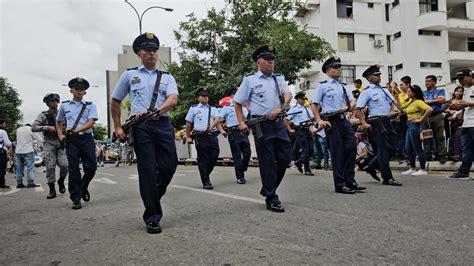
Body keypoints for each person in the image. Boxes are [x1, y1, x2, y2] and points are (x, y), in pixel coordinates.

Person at [111, 32, 179, 234]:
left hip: (163, 124)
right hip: (141, 128)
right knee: (148, 171)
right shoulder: (130, 75)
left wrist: (156, 111)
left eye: (154, 50)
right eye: (147, 50)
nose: (152, 53)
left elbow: (173, 99)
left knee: (169, 166)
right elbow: (115, 101)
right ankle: (152, 216)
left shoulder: (167, 77)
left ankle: (151, 198)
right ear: (139, 53)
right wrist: (117, 127)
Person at [234, 44, 292, 212]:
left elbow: (288, 94)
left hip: (279, 122)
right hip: (261, 124)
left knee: (285, 156)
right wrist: (241, 122)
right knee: (267, 160)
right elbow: (237, 102)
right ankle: (272, 197)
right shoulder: (250, 80)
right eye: (267, 59)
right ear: (258, 62)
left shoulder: (278, 78)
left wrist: (281, 108)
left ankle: (268, 187)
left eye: (272, 59)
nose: (271, 62)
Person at [311, 56, 364, 194]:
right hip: (331, 121)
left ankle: (350, 181)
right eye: (335, 68)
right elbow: (314, 104)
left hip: (343, 119)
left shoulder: (344, 86)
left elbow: (353, 102)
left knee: (352, 147)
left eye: (339, 67)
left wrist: (348, 107)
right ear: (328, 70)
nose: (339, 69)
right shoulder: (322, 86)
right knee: (337, 152)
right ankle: (340, 184)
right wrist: (319, 121)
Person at [355, 65, 402, 186]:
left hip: (387, 120)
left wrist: (396, 111)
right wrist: (363, 122)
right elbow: (358, 109)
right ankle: (387, 178)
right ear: (369, 78)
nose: (379, 77)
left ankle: (371, 166)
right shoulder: (367, 92)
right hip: (376, 121)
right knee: (383, 150)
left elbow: (393, 102)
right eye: (376, 75)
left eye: (379, 75)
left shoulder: (384, 89)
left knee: (393, 148)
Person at [56, 77, 98, 210]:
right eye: (77, 89)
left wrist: (77, 129)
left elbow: (91, 122)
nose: (79, 91)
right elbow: (58, 121)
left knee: (91, 167)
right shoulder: (64, 105)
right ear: (71, 90)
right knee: (74, 170)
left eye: (82, 90)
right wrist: (60, 135)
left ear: (85, 93)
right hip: (72, 141)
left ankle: (83, 186)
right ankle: (76, 198)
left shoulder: (91, 105)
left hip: (86, 138)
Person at [186, 88, 226, 189]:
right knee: (203, 159)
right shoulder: (194, 109)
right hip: (200, 136)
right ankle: (206, 181)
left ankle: (205, 174)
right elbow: (188, 123)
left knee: (214, 156)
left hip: (212, 135)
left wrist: (216, 129)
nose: (206, 98)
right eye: (203, 96)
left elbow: (217, 119)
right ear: (198, 98)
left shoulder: (213, 109)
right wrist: (188, 137)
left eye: (207, 96)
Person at [32, 93, 68, 199]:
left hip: (61, 141)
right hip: (49, 141)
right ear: (47, 103)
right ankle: (52, 189)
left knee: (64, 164)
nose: (54, 103)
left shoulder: (63, 113)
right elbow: (34, 127)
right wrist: (47, 127)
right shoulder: (43, 115)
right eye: (52, 101)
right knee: (50, 166)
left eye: (56, 101)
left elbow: (70, 124)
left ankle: (61, 181)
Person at [220, 87, 251, 184]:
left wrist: (248, 129)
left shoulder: (244, 108)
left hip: (243, 132)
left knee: (247, 153)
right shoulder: (227, 108)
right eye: (235, 94)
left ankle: (242, 168)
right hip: (233, 132)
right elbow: (219, 119)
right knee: (237, 156)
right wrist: (222, 129)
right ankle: (240, 177)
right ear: (232, 96)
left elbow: (247, 120)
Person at [400, 85, 433, 176]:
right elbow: (400, 106)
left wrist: (421, 119)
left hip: (415, 125)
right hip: (409, 125)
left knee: (417, 148)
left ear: (414, 93)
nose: (407, 93)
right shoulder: (410, 102)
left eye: (409, 92)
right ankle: (413, 168)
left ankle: (423, 169)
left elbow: (429, 109)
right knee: (408, 148)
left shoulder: (418, 102)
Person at [448, 69, 474, 180]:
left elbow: (468, 103)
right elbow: (465, 105)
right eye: (459, 79)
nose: (460, 82)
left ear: (470, 76)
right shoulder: (467, 90)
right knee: (466, 150)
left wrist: (467, 103)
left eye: (462, 78)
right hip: (466, 123)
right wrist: (458, 106)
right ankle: (463, 173)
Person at [285, 91, 315, 176]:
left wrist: (311, 128)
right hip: (300, 130)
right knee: (305, 150)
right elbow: (286, 120)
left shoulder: (307, 108)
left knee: (311, 150)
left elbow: (311, 119)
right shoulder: (294, 109)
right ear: (297, 100)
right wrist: (290, 129)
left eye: (304, 99)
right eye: (302, 99)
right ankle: (307, 169)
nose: (304, 100)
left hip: (308, 129)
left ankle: (299, 162)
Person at [423, 75, 447, 163]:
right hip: (426, 116)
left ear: (434, 82)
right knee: (426, 136)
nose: (426, 83)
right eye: (426, 81)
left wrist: (428, 102)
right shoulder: (423, 92)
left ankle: (441, 155)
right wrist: (435, 101)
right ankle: (427, 155)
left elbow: (441, 101)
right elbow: (423, 102)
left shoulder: (440, 91)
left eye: (428, 81)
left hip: (437, 115)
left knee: (439, 136)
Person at [15, 124, 43, 188]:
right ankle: (30, 182)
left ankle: (19, 183)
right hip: (28, 151)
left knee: (19, 167)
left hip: (18, 151)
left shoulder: (18, 129)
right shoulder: (31, 129)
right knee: (30, 167)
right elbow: (39, 139)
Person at [444, 86, 464, 161]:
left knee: (458, 136)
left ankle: (457, 154)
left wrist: (456, 114)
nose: (459, 93)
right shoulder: (449, 101)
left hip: (460, 121)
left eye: (460, 91)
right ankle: (450, 153)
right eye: (457, 91)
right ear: (454, 92)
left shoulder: (463, 101)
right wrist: (450, 111)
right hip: (449, 121)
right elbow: (443, 109)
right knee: (449, 136)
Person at [0, 120, 12, 189]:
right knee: (2, 168)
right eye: (4, 124)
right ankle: (1, 183)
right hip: (1, 152)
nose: (5, 125)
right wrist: (10, 144)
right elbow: (7, 143)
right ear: (0, 125)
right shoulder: (3, 132)